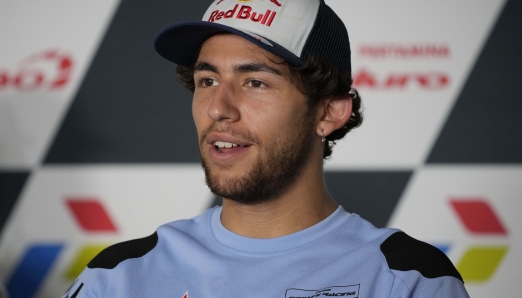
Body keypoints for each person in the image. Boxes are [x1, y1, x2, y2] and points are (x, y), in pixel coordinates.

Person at [63, 0, 469, 297]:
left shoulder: (408, 279)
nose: (218, 109)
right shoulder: (118, 277)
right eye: (207, 81)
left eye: (255, 82)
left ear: (329, 112)